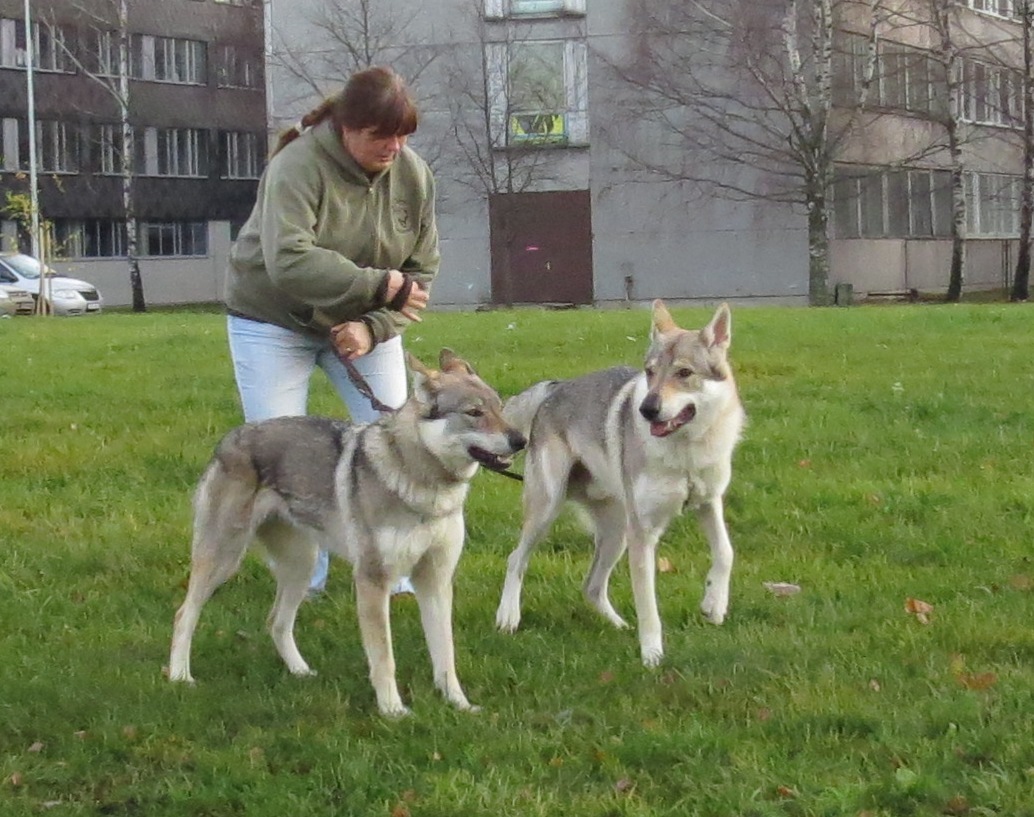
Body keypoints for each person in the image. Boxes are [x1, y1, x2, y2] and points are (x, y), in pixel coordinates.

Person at [223, 66, 438, 596]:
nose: (394, 146)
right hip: (273, 321)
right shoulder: (297, 166)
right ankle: (304, 580)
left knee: (398, 442)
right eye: (380, 135)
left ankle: (396, 569)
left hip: (361, 326)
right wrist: (380, 286)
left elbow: (420, 276)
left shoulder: (414, 175)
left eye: (403, 133)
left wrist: (372, 327)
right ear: (346, 128)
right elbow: (289, 262)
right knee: (281, 454)